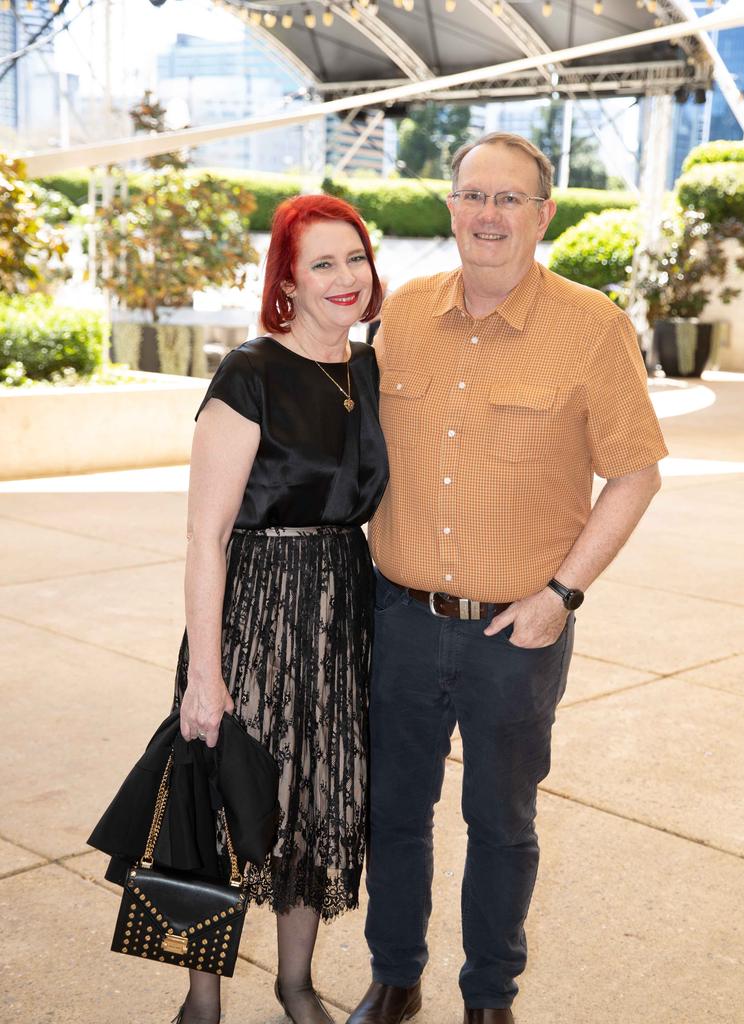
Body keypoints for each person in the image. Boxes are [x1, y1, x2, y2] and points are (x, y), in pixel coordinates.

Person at [347, 133, 668, 1024]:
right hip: (401, 619)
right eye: (473, 196)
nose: (488, 215)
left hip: (517, 634)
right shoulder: (401, 313)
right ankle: (396, 977)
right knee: (397, 816)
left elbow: (636, 470)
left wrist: (560, 597)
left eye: (510, 200)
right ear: (450, 206)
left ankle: (489, 997)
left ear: (543, 214)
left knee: (502, 826)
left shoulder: (592, 326)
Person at [173, 194, 388, 1024]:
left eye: (356, 259)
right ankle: (202, 1000)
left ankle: (295, 984)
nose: (344, 278)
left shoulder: (372, 369)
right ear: (287, 284)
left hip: (342, 611)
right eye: (321, 264)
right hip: (254, 610)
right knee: (228, 803)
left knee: (317, 803)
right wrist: (205, 672)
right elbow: (205, 536)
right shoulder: (249, 372)